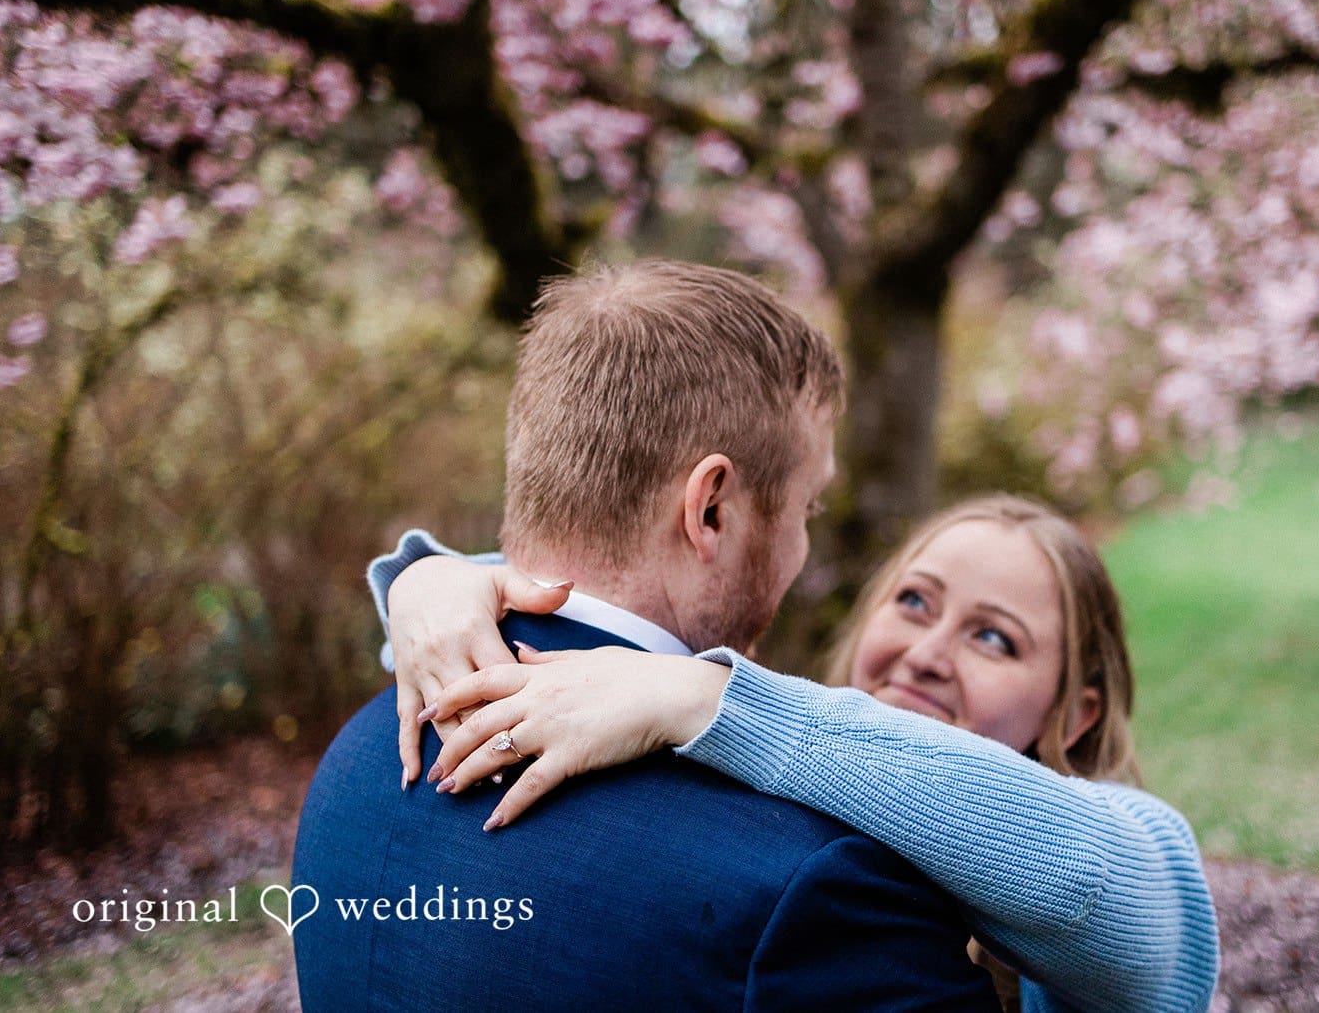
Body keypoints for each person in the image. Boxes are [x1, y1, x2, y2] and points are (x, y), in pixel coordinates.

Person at [291, 260, 1002, 1011]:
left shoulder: (354, 763)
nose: (804, 548)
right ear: (711, 511)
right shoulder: (816, 884)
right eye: (808, 508)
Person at [370, 494, 1221, 1013]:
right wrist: (434, 582)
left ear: (1075, 715)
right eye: (915, 601)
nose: (927, 651)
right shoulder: (780, 768)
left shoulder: (1115, 836)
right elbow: (584, 634)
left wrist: (704, 695)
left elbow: (1106, 885)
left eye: (994, 638)